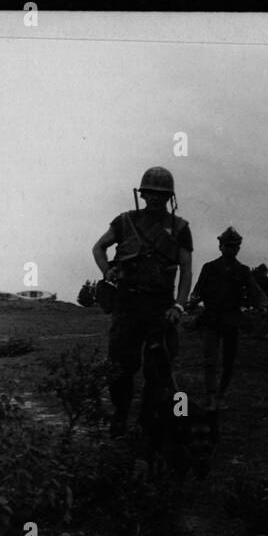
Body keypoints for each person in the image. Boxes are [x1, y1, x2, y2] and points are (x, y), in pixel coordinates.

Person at [91, 166, 193, 438]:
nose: (155, 199)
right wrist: (107, 270)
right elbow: (98, 248)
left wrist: (179, 306)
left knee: (158, 367)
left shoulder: (180, 228)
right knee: (120, 365)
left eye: (161, 194)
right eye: (150, 193)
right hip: (127, 303)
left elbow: (186, 270)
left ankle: (148, 420)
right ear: (142, 194)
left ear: (170, 197)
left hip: (161, 306)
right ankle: (120, 415)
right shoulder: (125, 221)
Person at [187, 226, 266, 410]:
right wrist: (193, 300)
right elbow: (197, 290)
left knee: (229, 360)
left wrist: (263, 305)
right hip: (211, 319)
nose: (232, 249)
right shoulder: (209, 268)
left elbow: (255, 291)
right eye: (228, 245)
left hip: (232, 320)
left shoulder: (243, 271)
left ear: (239, 248)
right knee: (210, 359)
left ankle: (221, 394)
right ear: (220, 246)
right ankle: (211, 396)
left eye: (235, 246)